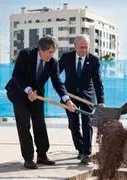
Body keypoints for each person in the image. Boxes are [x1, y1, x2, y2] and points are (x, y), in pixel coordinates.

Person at [5, 36, 75, 169]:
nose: (51, 55)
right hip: (19, 92)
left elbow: (58, 83)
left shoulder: (52, 63)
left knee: (40, 122)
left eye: (53, 52)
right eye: (49, 52)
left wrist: (67, 100)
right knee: (24, 123)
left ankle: (42, 155)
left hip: (37, 95)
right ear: (41, 50)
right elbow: (17, 75)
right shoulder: (26, 54)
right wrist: (28, 90)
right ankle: (28, 158)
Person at [59, 35, 105, 164]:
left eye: (86, 47)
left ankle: (86, 152)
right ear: (75, 46)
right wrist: (62, 92)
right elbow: (55, 74)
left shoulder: (94, 60)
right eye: (81, 47)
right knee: (73, 124)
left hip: (87, 96)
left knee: (87, 123)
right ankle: (80, 148)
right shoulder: (66, 58)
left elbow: (97, 82)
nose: (84, 50)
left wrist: (101, 101)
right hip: (70, 96)